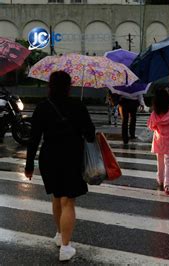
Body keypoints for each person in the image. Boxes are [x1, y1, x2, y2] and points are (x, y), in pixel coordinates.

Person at [24, 71, 95, 262]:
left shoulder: (42, 107)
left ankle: (59, 234)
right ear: (69, 87)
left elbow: (34, 139)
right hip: (71, 157)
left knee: (57, 196)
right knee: (68, 201)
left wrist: (28, 165)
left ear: (50, 86)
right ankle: (65, 247)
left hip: (49, 157)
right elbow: (90, 134)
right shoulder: (78, 106)